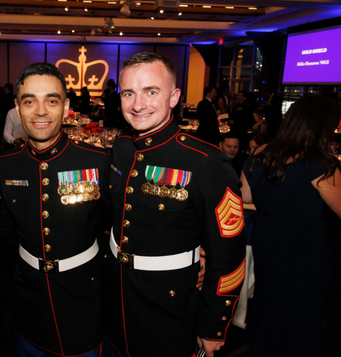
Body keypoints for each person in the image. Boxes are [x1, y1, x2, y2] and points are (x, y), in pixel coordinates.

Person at [103, 52, 246, 357]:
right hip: (116, 303)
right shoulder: (122, 148)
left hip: (170, 311)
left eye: (151, 92)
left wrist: (213, 326)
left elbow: (229, 257)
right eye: (129, 93)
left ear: (174, 97)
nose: (138, 105)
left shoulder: (207, 163)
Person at [0, 62, 111, 357]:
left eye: (52, 100)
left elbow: (125, 223)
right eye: (29, 101)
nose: (41, 111)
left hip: (84, 302)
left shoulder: (98, 161)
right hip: (28, 304)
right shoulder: (5, 165)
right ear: (17, 109)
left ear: (66, 106)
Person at [240, 95, 341, 357]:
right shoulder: (321, 167)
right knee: (301, 323)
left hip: (269, 249)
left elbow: (244, 197)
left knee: (271, 311)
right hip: (305, 260)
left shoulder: (260, 154)